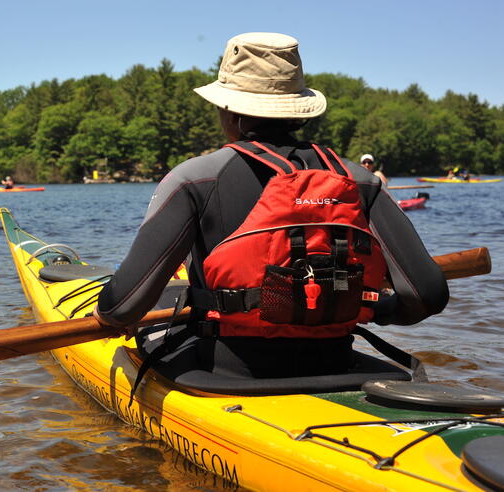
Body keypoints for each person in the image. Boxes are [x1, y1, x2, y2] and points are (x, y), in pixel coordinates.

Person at [93, 32, 448, 379]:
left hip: (230, 371)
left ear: (229, 111)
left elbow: (123, 306)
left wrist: (109, 317)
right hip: (335, 362)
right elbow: (427, 295)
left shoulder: (195, 178)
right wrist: (373, 308)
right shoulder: (360, 180)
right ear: (299, 111)